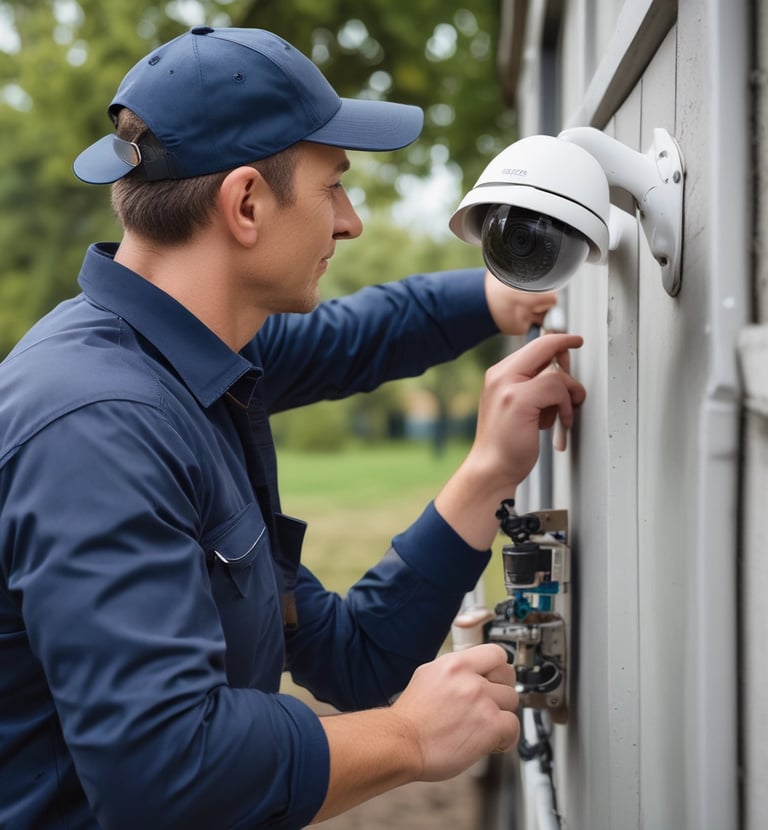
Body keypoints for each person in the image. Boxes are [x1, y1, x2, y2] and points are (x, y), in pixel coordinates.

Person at [0, 26, 585, 830]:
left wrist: (490, 462)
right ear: (245, 204)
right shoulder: (100, 428)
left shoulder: (198, 364)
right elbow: (167, 775)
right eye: (332, 187)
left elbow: (355, 657)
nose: (350, 223)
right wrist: (409, 736)